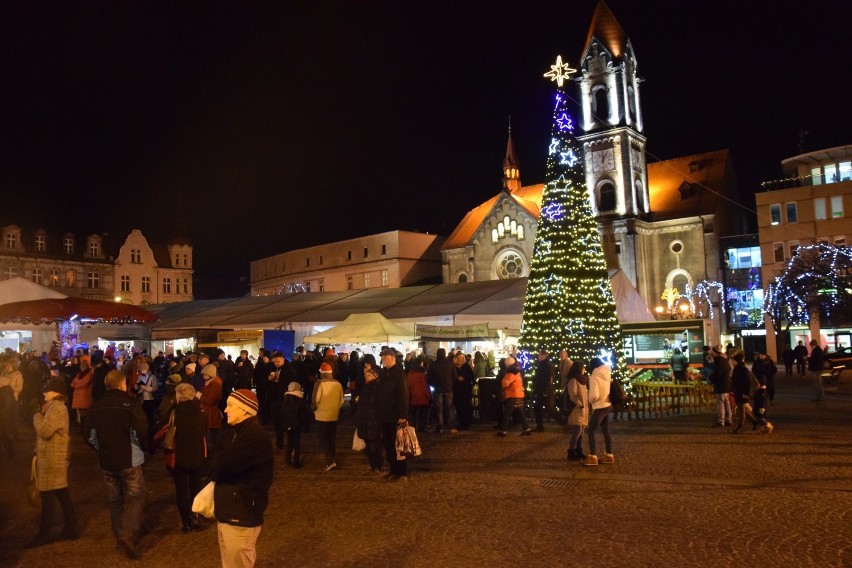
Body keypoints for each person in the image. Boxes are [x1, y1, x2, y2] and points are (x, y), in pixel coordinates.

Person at [83, 369, 148, 560]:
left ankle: (120, 537)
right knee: (137, 495)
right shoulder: (130, 403)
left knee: (114, 499)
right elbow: (142, 428)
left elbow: (87, 433)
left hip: (107, 459)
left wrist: (99, 447)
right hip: (129, 459)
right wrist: (142, 446)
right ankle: (127, 534)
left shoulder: (96, 406)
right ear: (122, 384)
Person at [212, 390, 273, 568]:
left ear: (245, 410)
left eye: (231, 405)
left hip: (241, 514)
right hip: (230, 511)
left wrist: (217, 464)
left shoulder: (254, 437)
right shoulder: (235, 432)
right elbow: (214, 462)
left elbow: (220, 467)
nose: (225, 410)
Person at [28, 378, 79, 547]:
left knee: (48, 497)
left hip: (53, 459)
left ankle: (44, 534)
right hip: (52, 458)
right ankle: (72, 528)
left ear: (56, 393)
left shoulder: (57, 408)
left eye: (47, 390)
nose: (44, 392)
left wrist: (36, 415)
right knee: (61, 493)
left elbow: (45, 430)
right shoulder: (52, 407)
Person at [155, 382, 206, 533]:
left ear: (178, 396)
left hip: (179, 457)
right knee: (196, 487)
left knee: (182, 490)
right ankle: (196, 516)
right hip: (197, 455)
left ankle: (186, 522)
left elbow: (159, 431)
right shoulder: (201, 412)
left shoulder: (173, 413)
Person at [377, 348, 409, 481]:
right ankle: (393, 470)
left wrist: (402, 415)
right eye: (382, 358)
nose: (383, 361)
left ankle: (402, 472)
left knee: (399, 445)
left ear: (392, 358)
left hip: (395, 416)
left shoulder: (398, 373)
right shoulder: (385, 372)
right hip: (385, 415)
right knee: (389, 445)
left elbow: (403, 395)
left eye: (385, 358)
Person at [312, 362, 344, 471]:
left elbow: (315, 400)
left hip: (321, 415)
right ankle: (332, 458)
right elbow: (341, 400)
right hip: (334, 415)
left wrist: (315, 410)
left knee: (323, 439)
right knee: (331, 438)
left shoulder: (319, 383)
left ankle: (330, 461)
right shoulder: (338, 384)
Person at [584, 358, 614, 466]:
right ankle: (609, 455)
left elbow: (594, 395)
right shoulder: (606, 375)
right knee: (606, 431)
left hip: (599, 406)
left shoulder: (594, 377)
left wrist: (590, 400)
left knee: (591, 431)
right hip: (607, 405)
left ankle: (593, 456)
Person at [356, 355, 383, 474]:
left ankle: (377, 466)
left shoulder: (378, 388)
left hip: (374, 420)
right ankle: (375, 466)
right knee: (369, 445)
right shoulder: (366, 387)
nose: (366, 375)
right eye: (365, 374)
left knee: (373, 446)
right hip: (365, 419)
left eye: (368, 374)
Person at [267, 352, 297, 451]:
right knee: (277, 423)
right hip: (275, 399)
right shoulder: (272, 368)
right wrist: (269, 380)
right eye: (275, 361)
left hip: (286, 400)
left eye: (278, 361)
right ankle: (279, 444)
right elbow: (268, 384)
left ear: (283, 359)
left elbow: (293, 383)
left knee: (288, 424)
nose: (276, 363)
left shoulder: (289, 370)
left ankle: (290, 446)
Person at [496, 356, 531, 437]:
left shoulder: (511, 372)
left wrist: (502, 380)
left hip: (512, 395)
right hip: (519, 394)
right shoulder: (517, 371)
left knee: (507, 413)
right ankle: (527, 429)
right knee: (520, 413)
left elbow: (505, 383)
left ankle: (503, 431)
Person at [279, 382, 308, 468]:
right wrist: (306, 426)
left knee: (289, 441)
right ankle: (296, 461)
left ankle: (287, 458)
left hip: (287, 424)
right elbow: (303, 414)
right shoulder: (300, 401)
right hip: (296, 425)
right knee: (296, 443)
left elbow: (282, 413)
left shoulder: (284, 399)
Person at [428, 348, 456, 434]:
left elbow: (429, 378)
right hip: (448, 388)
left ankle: (439, 426)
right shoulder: (450, 364)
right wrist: (451, 384)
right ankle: (450, 425)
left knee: (439, 409)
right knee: (448, 408)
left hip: (438, 389)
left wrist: (434, 385)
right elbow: (454, 376)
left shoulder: (433, 364)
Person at [565, 361, 589, 461]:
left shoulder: (583, 380)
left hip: (584, 409)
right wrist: (579, 404)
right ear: (579, 369)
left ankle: (579, 451)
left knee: (582, 431)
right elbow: (572, 394)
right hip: (577, 409)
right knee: (577, 430)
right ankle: (571, 451)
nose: (584, 369)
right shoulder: (573, 380)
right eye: (583, 368)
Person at [196, 364, 223, 452]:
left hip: (212, 415)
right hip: (208, 413)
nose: (203, 376)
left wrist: (199, 396)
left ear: (210, 375)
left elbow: (211, 400)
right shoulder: (210, 383)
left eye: (205, 375)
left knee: (211, 439)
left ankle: (212, 458)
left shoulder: (215, 384)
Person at [730, 352, 757, 434]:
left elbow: (747, 383)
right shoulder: (738, 368)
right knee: (742, 408)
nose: (732, 362)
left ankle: (740, 427)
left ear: (736, 361)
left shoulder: (742, 369)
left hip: (742, 392)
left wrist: (746, 393)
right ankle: (754, 421)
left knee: (741, 409)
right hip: (738, 391)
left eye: (733, 360)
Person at [710, 344, 732, 427]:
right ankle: (728, 420)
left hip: (721, 385)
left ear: (716, 352)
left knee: (721, 403)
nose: (712, 354)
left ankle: (721, 421)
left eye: (713, 352)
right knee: (727, 402)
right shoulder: (724, 360)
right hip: (727, 384)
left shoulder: (718, 361)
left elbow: (717, 374)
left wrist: (711, 378)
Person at [406, 356, 431, 432]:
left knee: (413, 413)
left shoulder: (410, 373)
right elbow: (424, 386)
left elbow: (409, 385)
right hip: (422, 395)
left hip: (413, 396)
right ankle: (421, 427)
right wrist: (428, 395)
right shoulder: (422, 373)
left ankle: (413, 427)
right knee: (422, 413)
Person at [452, 352, 475, 430]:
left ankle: (466, 423)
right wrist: (456, 379)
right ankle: (461, 422)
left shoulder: (467, 367)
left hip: (466, 390)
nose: (461, 360)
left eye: (463, 358)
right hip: (456, 390)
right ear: (456, 359)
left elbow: (472, 377)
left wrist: (464, 379)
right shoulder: (453, 367)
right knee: (458, 407)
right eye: (460, 358)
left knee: (466, 407)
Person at [70, 356, 93, 429]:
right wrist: (75, 384)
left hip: (85, 396)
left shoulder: (89, 374)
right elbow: (73, 382)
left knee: (85, 413)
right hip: (79, 396)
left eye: (84, 366)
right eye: (81, 366)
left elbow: (84, 383)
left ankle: (85, 428)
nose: (82, 367)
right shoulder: (79, 374)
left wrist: (75, 385)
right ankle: (82, 427)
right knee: (81, 412)